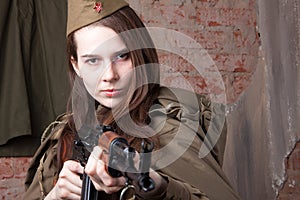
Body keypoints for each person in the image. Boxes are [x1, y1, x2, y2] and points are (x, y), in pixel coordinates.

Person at [24, 0, 241, 199]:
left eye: (122, 56)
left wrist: (159, 187)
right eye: (92, 61)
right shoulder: (64, 132)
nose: (109, 75)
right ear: (76, 65)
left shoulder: (169, 122)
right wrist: (55, 195)